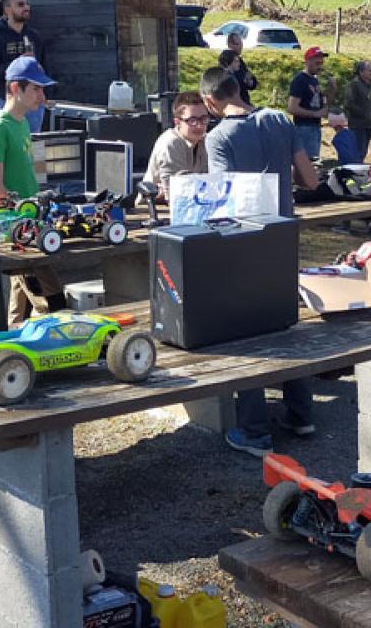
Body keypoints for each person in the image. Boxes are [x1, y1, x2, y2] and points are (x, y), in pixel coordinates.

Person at [199, 66, 319, 457]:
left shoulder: (219, 138)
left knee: (248, 335)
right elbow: (310, 180)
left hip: (246, 244)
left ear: (209, 101)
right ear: (238, 90)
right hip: (284, 239)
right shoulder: (278, 119)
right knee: (286, 326)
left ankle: (254, 430)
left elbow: (225, 199)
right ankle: (301, 413)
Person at [0, 56, 62, 325]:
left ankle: (13, 332)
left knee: (21, 293)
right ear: (16, 88)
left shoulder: (24, 123)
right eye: (37, 89)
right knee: (50, 297)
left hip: (33, 215)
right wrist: (13, 220)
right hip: (19, 224)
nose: (42, 95)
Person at [0, 0, 52, 134]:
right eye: (20, 4)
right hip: (8, 102)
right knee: (9, 147)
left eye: (27, 4)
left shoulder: (34, 37)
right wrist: (17, 65)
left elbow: (46, 69)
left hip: (34, 104)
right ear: (7, 9)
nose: (26, 7)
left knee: (31, 148)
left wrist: (43, 94)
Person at [139, 91, 209, 201]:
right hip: (154, 210)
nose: (199, 125)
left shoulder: (206, 141)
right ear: (177, 122)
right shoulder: (170, 143)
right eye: (192, 120)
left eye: (203, 119)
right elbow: (176, 193)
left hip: (195, 205)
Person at [287, 46, 334, 163]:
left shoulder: (314, 80)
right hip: (303, 128)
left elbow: (324, 104)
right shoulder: (300, 80)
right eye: (317, 63)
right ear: (307, 62)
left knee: (314, 161)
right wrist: (314, 114)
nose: (320, 66)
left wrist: (332, 90)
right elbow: (292, 107)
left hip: (315, 127)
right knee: (307, 162)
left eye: (321, 63)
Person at [343, 60, 371, 162]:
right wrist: (365, 114)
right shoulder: (354, 85)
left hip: (367, 125)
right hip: (357, 126)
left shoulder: (368, 86)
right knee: (357, 153)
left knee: (363, 152)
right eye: (369, 71)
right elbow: (349, 104)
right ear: (361, 72)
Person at [226, 32, 258, 105]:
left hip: (244, 100)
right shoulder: (226, 60)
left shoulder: (240, 60)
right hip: (234, 102)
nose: (240, 47)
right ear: (229, 45)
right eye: (237, 44)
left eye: (241, 44)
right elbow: (233, 83)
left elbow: (251, 79)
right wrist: (245, 81)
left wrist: (250, 82)